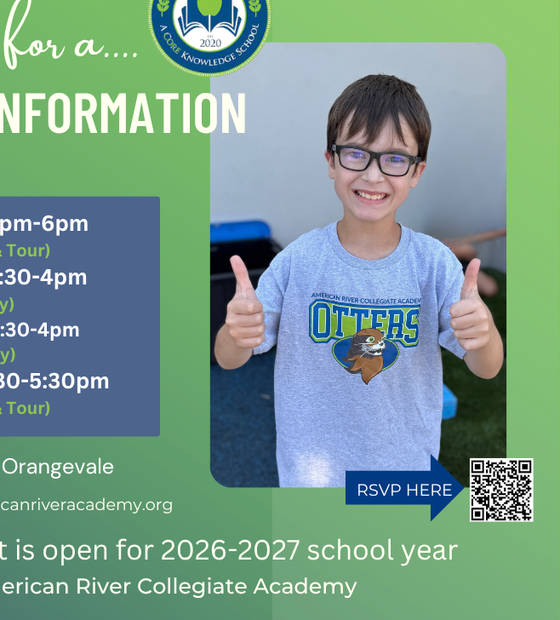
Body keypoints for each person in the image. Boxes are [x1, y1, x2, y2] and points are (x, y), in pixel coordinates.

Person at [214, 74, 503, 488]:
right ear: (332, 162)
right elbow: (228, 359)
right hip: (311, 482)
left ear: (417, 171)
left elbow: (488, 370)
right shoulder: (297, 261)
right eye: (356, 154)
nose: (373, 175)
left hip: (407, 473)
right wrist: (235, 332)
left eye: (395, 158)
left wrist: (485, 334)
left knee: (506, 519)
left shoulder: (435, 264)